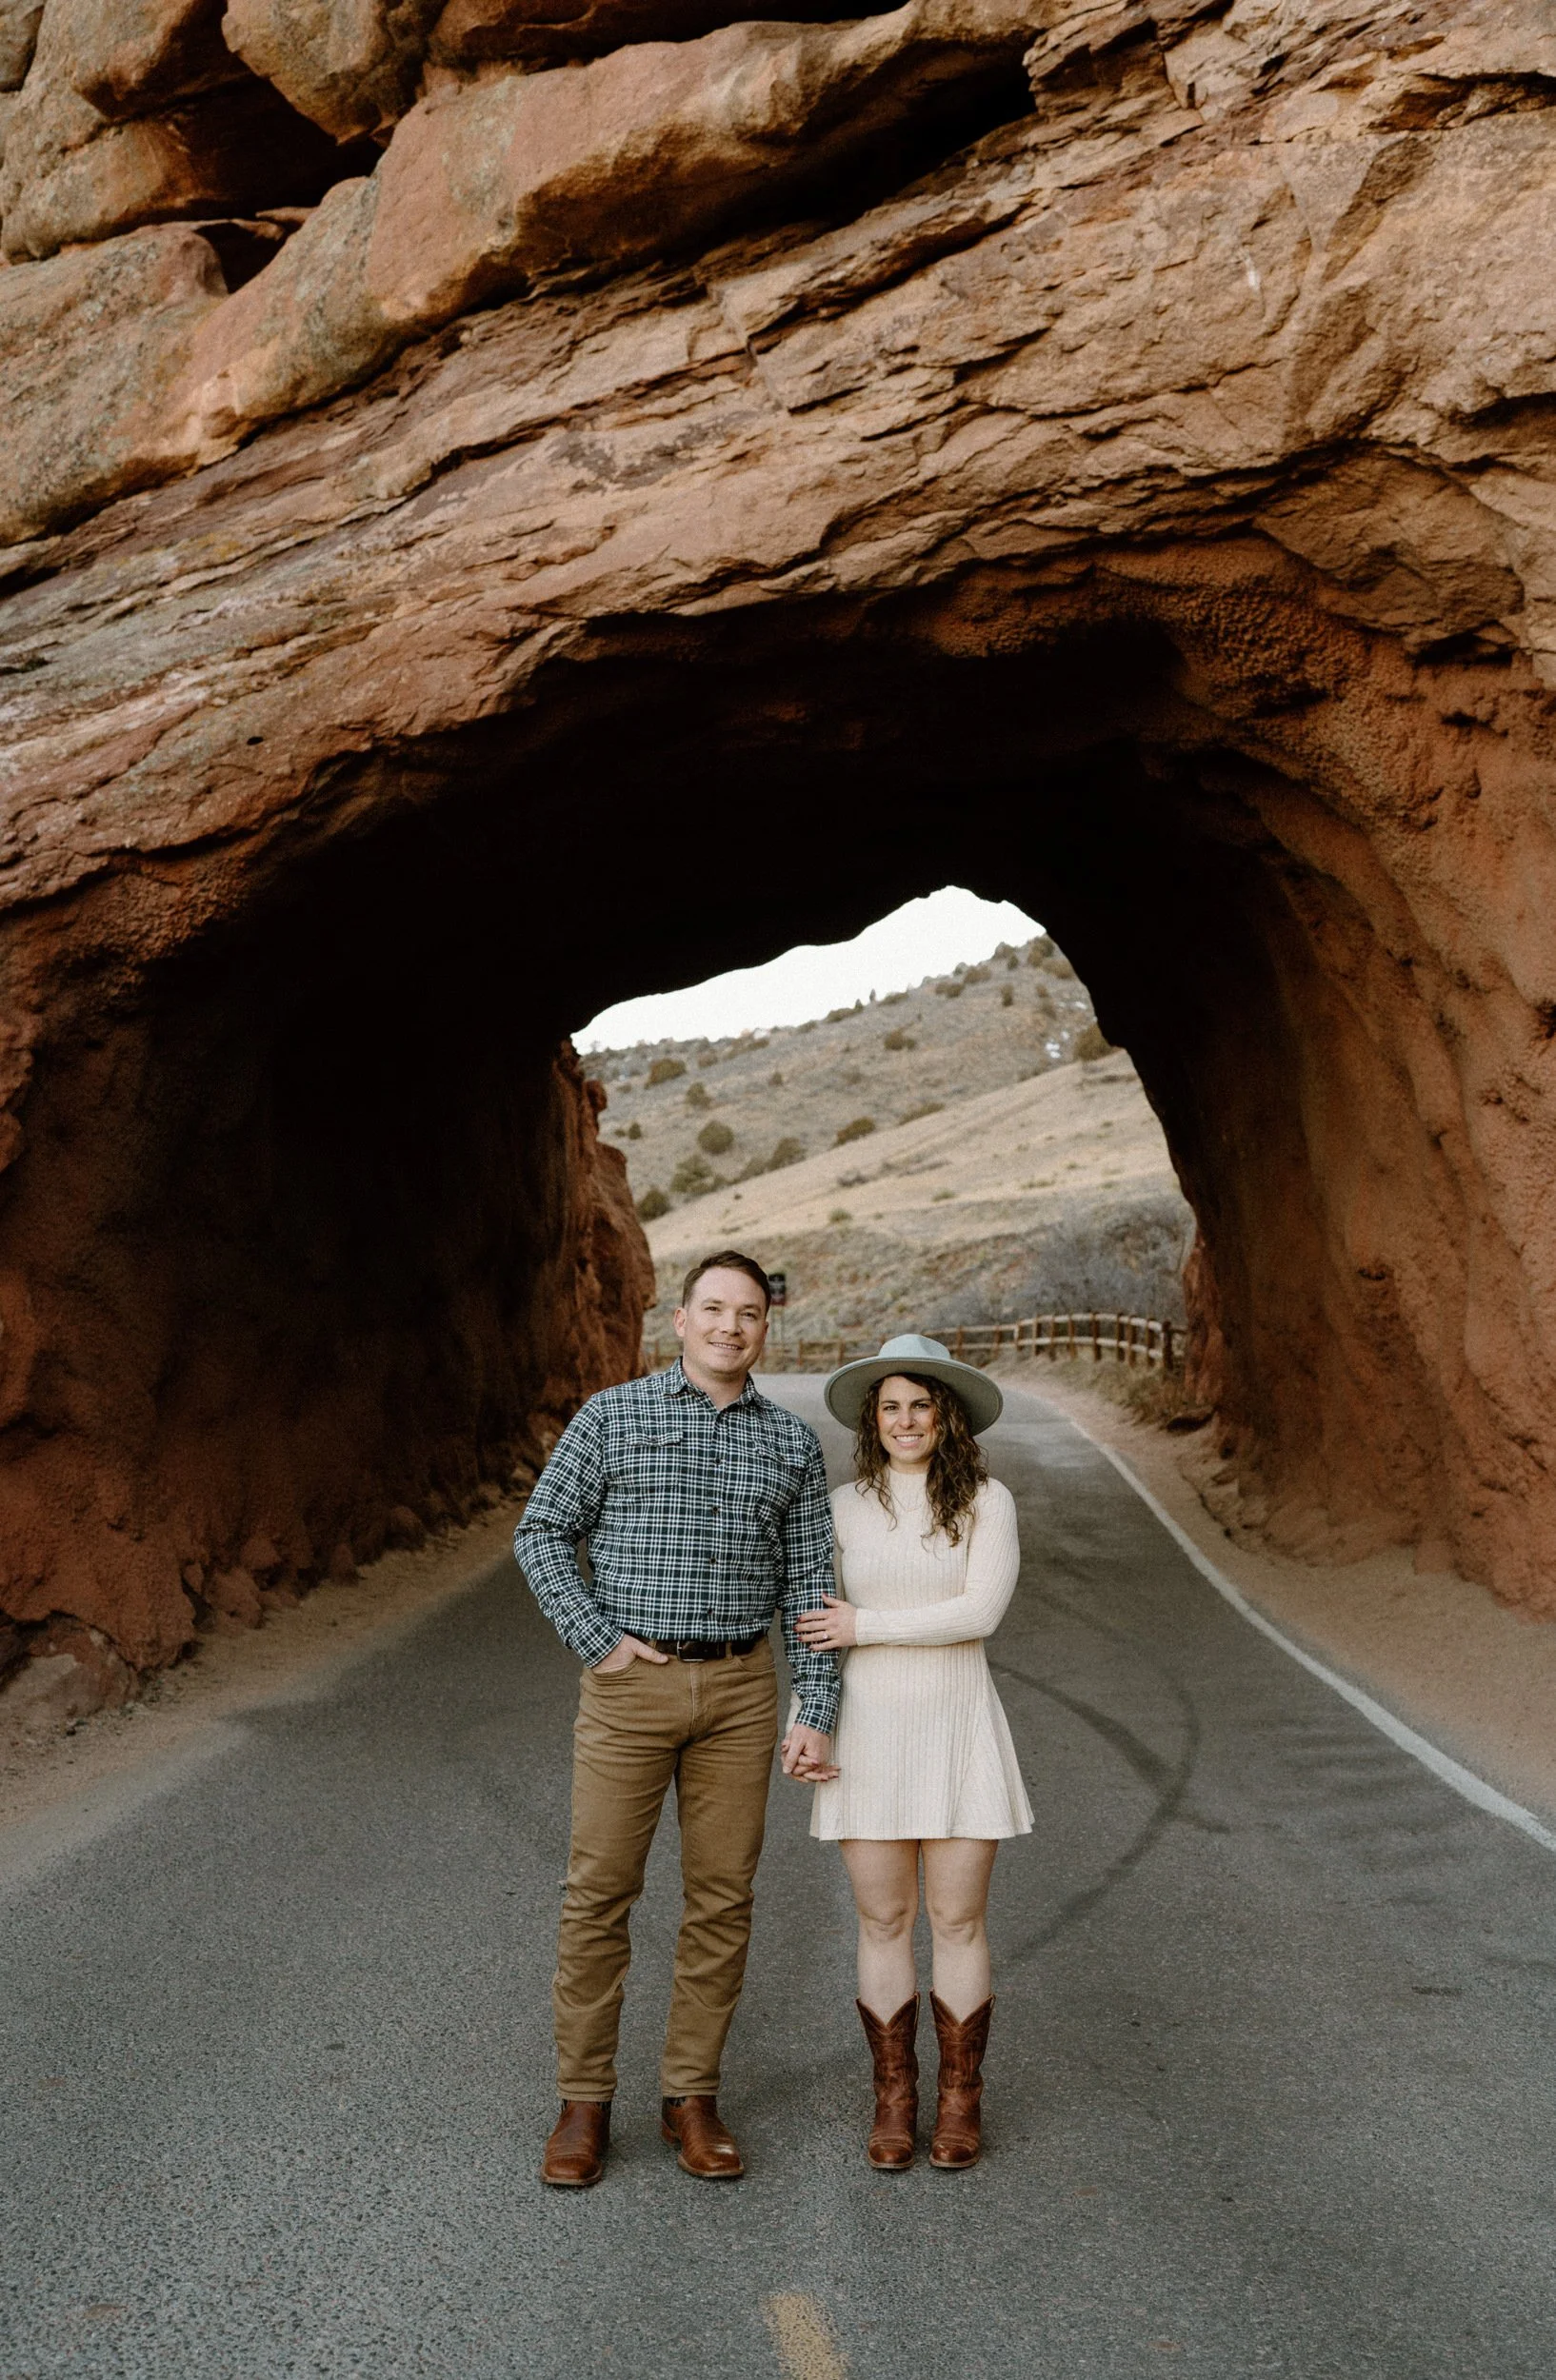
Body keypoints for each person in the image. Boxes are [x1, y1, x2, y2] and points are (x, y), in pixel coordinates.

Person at [514, 1251, 839, 2191]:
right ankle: (582, 2104)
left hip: (740, 1691)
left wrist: (813, 1708)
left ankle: (690, 2097)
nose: (730, 1326)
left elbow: (810, 1586)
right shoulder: (611, 1417)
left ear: (762, 1326)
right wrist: (597, 1639)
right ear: (679, 1319)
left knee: (721, 1902)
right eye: (713, 1309)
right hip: (630, 1689)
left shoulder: (789, 1444)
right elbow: (539, 1529)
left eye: (747, 1312)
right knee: (598, 1893)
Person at [795, 1332, 1030, 2172]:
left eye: (920, 1405)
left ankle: (962, 2101)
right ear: (873, 1418)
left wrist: (869, 1625)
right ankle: (894, 2099)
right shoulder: (840, 1506)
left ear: (946, 1417)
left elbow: (979, 1613)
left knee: (958, 1919)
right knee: (883, 1919)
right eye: (890, 1406)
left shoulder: (986, 1503)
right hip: (868, 1731)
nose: (904, 1419)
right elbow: (815, 1624)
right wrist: (807, 1718)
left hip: (961, 1724)